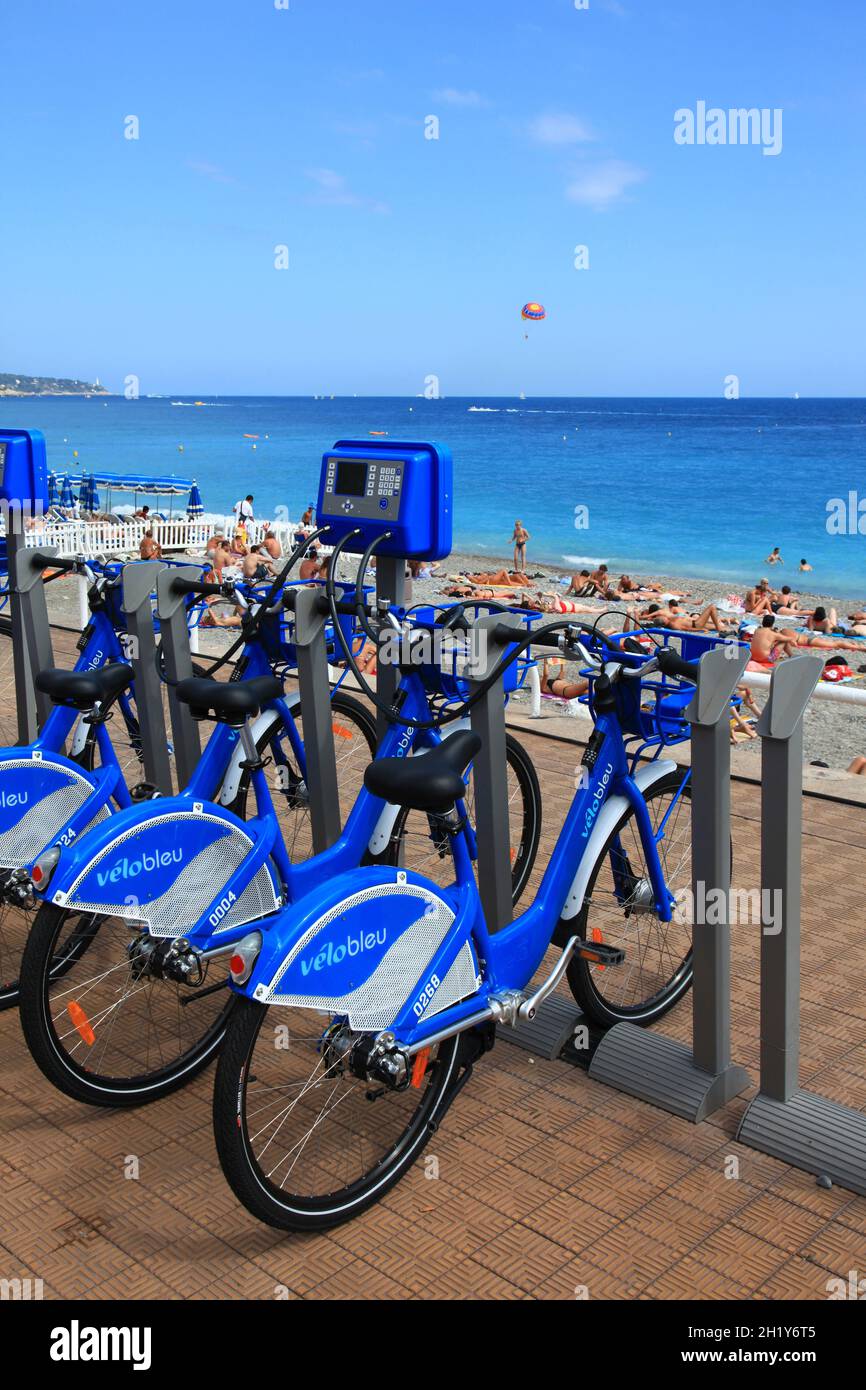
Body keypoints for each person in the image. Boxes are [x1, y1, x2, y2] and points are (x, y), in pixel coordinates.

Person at [638, 600, 732, 634]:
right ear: (665, 622)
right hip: (696, 624)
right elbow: (686, 629)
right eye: (664, 619)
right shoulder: (673, 625)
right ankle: (720, 629)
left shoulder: (670, 620)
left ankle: (729, 631)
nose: (664, 617)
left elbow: (651, 619)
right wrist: (700, 629)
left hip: (696, 622)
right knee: (712, 607)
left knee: (719, 627)